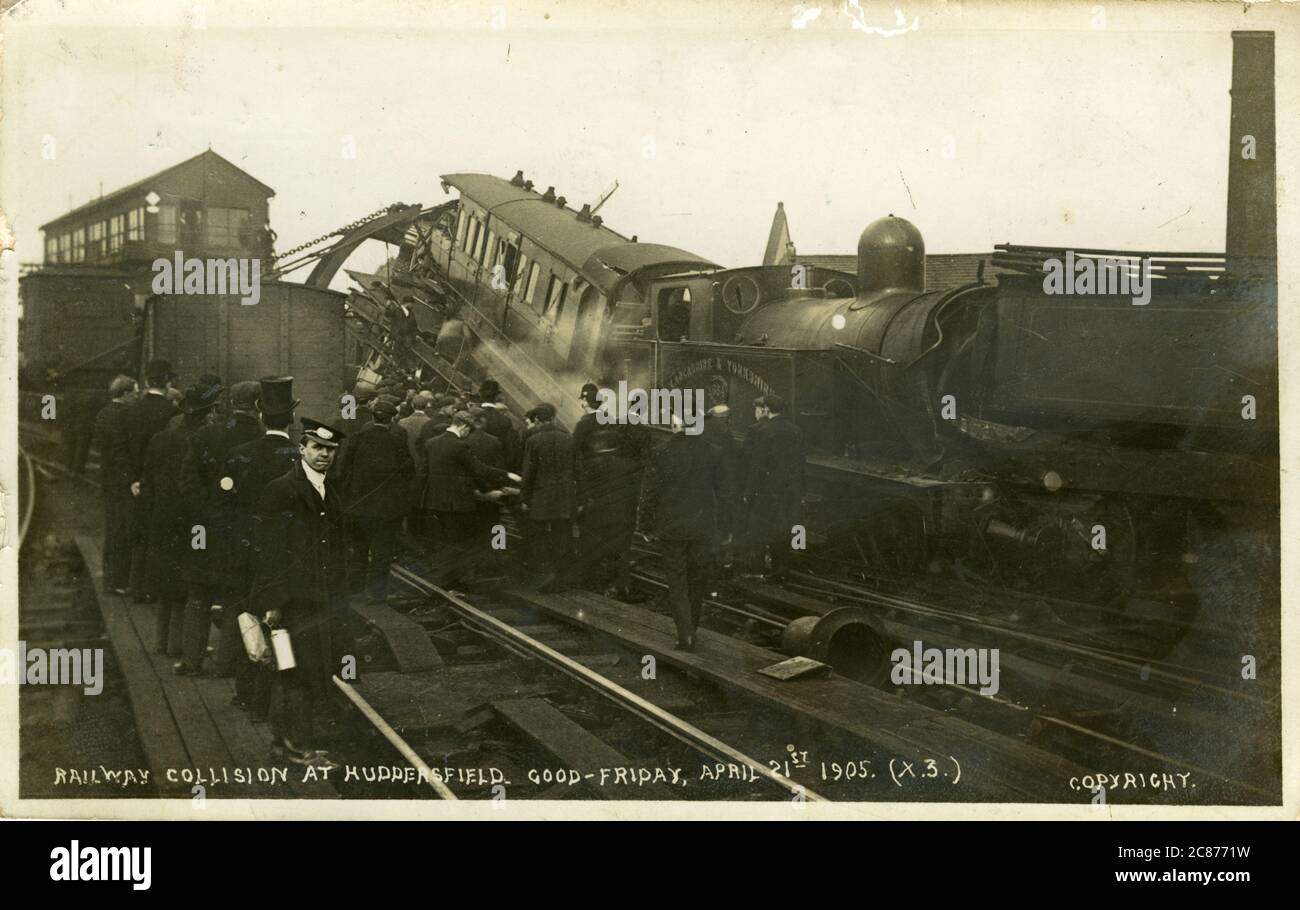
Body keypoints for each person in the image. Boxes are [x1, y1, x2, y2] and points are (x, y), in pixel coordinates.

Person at [250, 417, 348, 768]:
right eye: (317, 448)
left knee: (298, 672)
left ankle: (285, 744)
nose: (324, 455)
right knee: (296, 674)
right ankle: (299, 749)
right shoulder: (282, 489)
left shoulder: (328, 489)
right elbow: (270, 550)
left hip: (317, 600)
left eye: (330, 450)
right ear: (302, 448)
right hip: (292, 603)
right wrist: (273, 603)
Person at [177, 379, 266, 677]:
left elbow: (187, 482)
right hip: (243, 532)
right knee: (234, 598)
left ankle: (191, 662)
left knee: (198, 596)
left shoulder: (206, 434)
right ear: (257, 406)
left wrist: (208, 513)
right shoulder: (263, 438)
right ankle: (226, 666)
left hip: (204, 530)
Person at [224, 376, 300, 721]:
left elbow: (225, 503)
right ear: (292, 419)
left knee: (247, 619)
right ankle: (273, 700)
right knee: (283, 627)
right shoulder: (298, 459)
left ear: (259, 413)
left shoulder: (238, 456)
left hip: (244, 550)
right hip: (284, 555)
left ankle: (245, 693)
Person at [638, 411, 728, 651]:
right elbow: (724, 494)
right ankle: (692, 628)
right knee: (697, 579)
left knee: (677, 581)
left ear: (675, 424)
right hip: (702, 527)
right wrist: (726, 527)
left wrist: (644, 525)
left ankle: (685, 634)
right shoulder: (714, 452)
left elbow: (649, 494)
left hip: (671, 528)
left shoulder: (661, 452)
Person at [139, 385, 216, 657]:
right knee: (189, 583)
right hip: (193, 523)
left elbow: (146, 481)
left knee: (165, 582)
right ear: (207, 415)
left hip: (162, 518)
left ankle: (162, 642)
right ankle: (180, 644)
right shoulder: (204, 442)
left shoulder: (160, 439)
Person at [420, 410, 519, 586]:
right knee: (460, 541)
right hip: (457, 503)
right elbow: (479, 469)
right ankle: (454, 581)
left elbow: (426, 472)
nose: (468, 435)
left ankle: (443, 578)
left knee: (444, 540)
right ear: (464, 426)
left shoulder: (431, 443)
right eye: (468, 430)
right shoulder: (459, 446)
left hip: (436, 501)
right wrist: (509, 476)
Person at [334, 396, 414, 600]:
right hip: (387, 511)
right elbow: (408, 473)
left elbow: (344, 472)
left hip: (359, 507)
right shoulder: (397, 442)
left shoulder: (357, 439)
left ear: (373, 417)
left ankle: (355, 590)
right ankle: (377, 594)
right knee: (382, 553)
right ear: (391, 420)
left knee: (359, 549)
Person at [125, 359, 179, 600]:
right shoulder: (171, 411)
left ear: (146, 382)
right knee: (159, 536)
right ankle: (154, 589)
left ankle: (136, 589)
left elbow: (126, 447)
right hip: (161, 482)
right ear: (167, 383)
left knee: (139, 536)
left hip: (136, 481)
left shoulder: (132, 409)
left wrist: (134, 479)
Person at [742, 394, 806, 581]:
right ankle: (781, 570)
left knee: (758, 529)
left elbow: (757, 465)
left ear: (767, 409)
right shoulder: (796, 431)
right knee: (784, 528)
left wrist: (748, 490)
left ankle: (756, 570)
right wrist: (801, 491)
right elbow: (801, 463)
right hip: (790, 488)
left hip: (766, 489)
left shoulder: (763, 430)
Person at [575, 424, 643, 598]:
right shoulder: (632, 465)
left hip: (594, 514)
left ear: (598, 445)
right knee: (621, 550)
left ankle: (587, 583)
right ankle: (619, 585)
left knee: (590, 547)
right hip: (623, 515)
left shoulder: (588, 464)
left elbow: (581, 489)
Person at [518, 403, 576, 589]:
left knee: (539, 536)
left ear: (536, 420)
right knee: (563, 535)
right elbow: (578, 471)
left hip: (541, 497)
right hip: (564, 497)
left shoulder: (533, 441)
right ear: (553, 418)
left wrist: (524, 499)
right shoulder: (568, 439)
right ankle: (563, 577)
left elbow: (528, 474)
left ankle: (544, 575)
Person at [91, 374, 139, 594]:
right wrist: (131, 480)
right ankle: (117, 582)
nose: (137, 397)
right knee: (122, 530)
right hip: (121, 482)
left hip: (108, 479)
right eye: (135, 393)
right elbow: (121, 452)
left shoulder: (102, 413)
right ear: (126, 393)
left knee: (113, 529)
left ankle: (111, 578)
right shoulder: (125, 416)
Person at [477, 379, 522, 470]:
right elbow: (509, 451)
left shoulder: (470, 414)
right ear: (496, 397)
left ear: (480, 395)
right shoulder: (505, 421)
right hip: (494, 467)